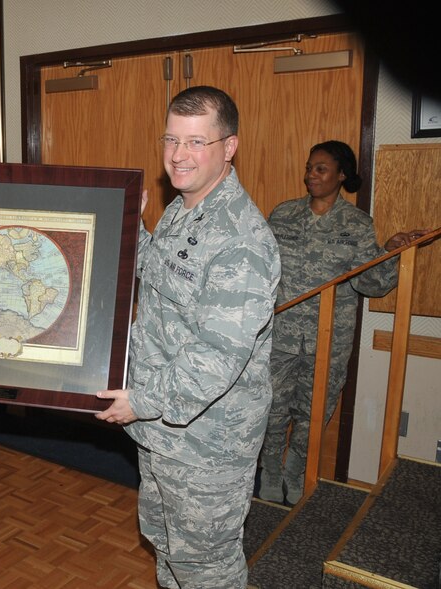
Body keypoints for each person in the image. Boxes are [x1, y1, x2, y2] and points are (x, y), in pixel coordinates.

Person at [95, 86, 281, 589]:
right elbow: (159, 279)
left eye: (197, 142)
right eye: (171, 139)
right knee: (167, 547)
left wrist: (139, 400)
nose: (179, 155)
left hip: (207, 443)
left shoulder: (240, 240)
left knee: (205, 568)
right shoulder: (184, 208)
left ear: (229, 146)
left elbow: (216, 357)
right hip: (164, 430)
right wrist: (122, 223)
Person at [258, 140, 428, 505]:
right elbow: (261, 271)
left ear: (341, 176)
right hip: (281, 335)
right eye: (309, 168)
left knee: (314, 410)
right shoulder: (283, 215)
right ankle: (269, 468)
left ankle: (297, 470)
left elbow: (371, 283)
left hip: (328, 340)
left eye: (320, 168)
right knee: (272, 406)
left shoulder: (357, 224)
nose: (311, 175)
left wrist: (390, 253)